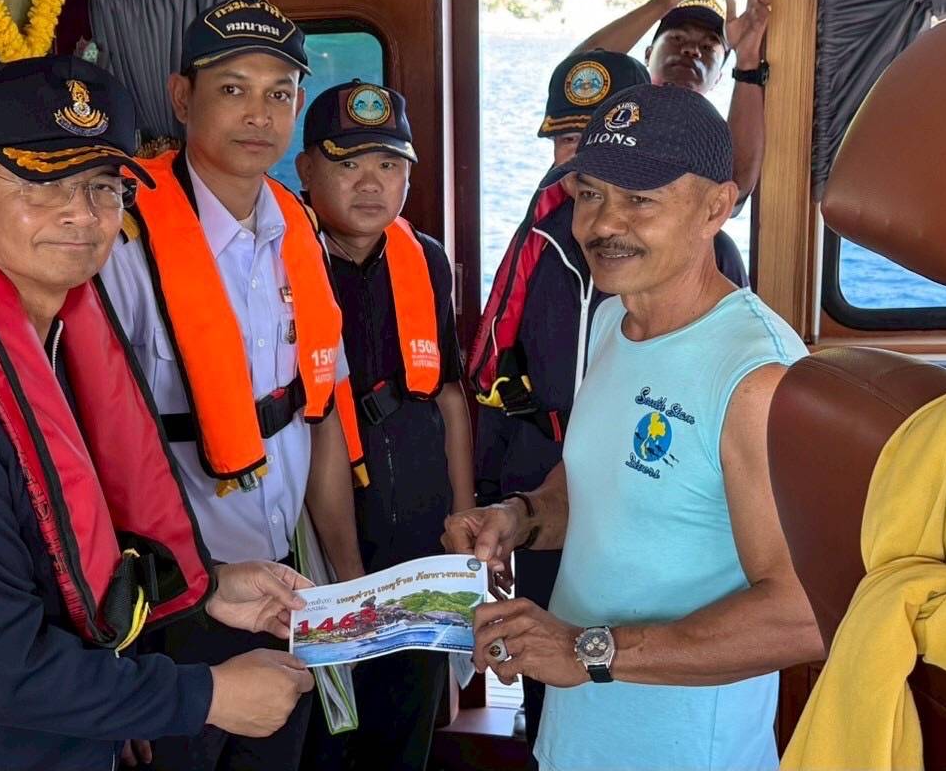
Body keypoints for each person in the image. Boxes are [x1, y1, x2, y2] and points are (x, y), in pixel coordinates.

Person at [0, 56, 316, 771]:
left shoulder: (55, 349)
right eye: (40, 184)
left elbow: (69, 548)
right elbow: (1, 669)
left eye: (102, 187)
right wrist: (204, 696)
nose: (81, 215)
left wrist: (209, 586)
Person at [446, 83, 823, 771]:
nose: (602, 224)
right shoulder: (613, 318)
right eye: (590, 194)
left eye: (640, 200)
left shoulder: (757, 376)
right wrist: (521, 516)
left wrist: (584, 650)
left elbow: (804, 614)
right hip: (577, 735)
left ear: (717, 208)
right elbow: (606, 486)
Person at [99, 0, 366, 771]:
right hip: (171, 603)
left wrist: (345, 581)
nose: (259, 114)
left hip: (282, 586)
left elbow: (316, 413)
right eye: (232, 89)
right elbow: (90, 451)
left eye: (279, 93)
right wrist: (116, 655)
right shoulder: (123, 238)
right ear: (183, 98)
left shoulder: (297, 229)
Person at [467, 48, 650, 747]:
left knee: (629, 669)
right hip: (542, 478)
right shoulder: (541, 238)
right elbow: (500, 377)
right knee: (544, 665)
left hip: (640, 486)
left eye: (597, 140)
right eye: (567, 140)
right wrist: (493, 497)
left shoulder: (697, 251)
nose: (578, 160)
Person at [293, 80, 474, 769]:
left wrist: (463, 518)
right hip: (326, 534)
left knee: (408, 724)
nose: (371, 183)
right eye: (348, 164)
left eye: (389, 164)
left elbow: (449, 394)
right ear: (306, 169)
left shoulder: (425, 258)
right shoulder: (281, 260)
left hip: (422, 529)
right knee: (329, 730)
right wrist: (347, 576)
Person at [577, 0, 773, 284]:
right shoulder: (615, 115)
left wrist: (747, 60)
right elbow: (578, 76)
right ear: (648, 55)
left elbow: (736, 186)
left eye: (709, 47)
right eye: (678, 38)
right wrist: (660, 3)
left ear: (718, 77)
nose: (692, 51)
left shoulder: (707, 139)